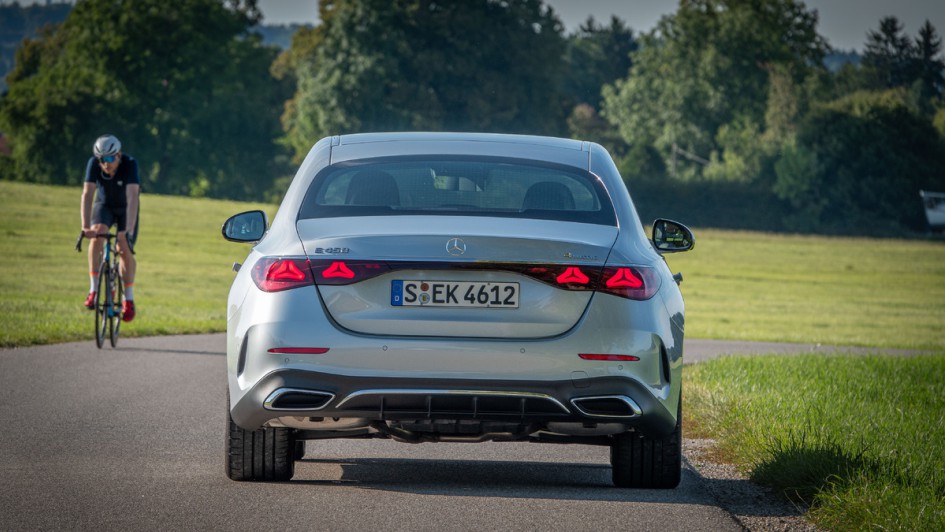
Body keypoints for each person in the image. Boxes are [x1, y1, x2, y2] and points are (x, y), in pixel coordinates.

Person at [80, 134, 140, 322]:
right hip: (104, 206)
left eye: (109, 159)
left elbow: (132, 198)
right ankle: (94, 289)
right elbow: (87, 194)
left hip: (125, 209)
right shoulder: (94, 164)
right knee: (97, 233)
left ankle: (128, 299)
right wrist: (85, 226)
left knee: (123, 247)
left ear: (119, 155)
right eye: (102, 159)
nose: (105, 164)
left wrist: (128, 230)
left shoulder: (130, 164)